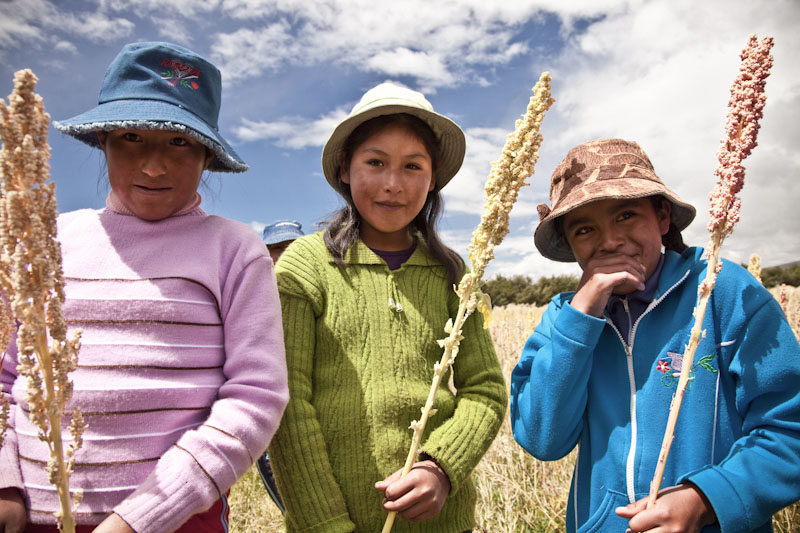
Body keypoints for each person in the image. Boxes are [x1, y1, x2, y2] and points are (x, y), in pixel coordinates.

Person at [0, 42, 289, 533]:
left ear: (206, 154)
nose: (154, 166)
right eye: (132, 137)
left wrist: (137, 520)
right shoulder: (46, 241)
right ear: (104, 140)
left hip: (177, 520)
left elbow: (256, 397)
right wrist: (6, 485)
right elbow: (8, 377)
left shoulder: (234, 250)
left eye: (179, 142)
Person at [509, 138, 800, 532]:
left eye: (626, 215)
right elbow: (542, 439)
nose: (610, 240)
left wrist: (706, 499)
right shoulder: (563, 319)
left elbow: (788, 431)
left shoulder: (722, 293)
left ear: (662, 218)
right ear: (570, 244)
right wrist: (582, 316)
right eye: (585, 229)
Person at [266, 83, 507, 532]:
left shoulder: (453, 273)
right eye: (375, 162)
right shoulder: (305, 266)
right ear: (345, 168)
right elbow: (287, 403)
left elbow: (486, 389)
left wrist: (440, 467)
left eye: (412, 166)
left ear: (432, 178)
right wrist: (325, 525)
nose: (393, 184)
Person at [256, 219, 305, 514]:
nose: (285, 255)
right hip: (271, 420)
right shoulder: (250, 301)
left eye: (293, 247)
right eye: (277, 248)